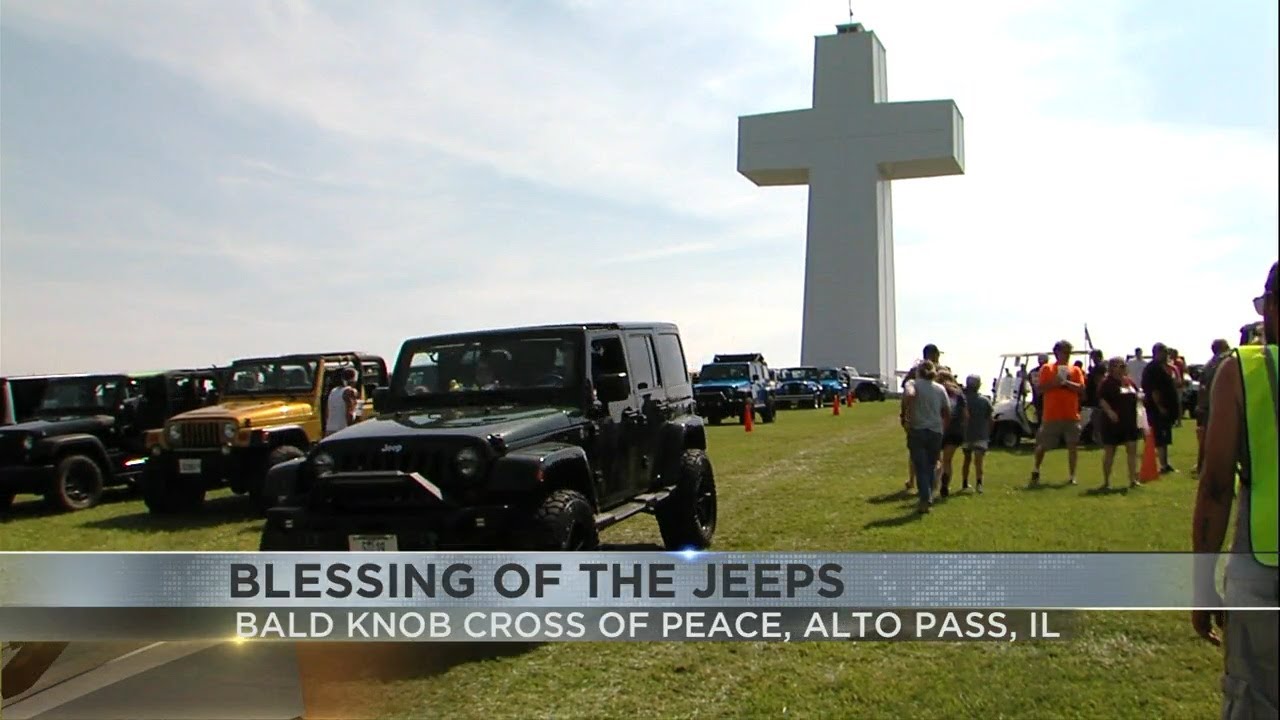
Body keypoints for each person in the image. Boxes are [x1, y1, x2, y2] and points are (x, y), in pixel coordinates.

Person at [1191, 261, 1278, 719]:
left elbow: (1217, 485)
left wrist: (1202, 586)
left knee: (1255, 701)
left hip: (1263, 565)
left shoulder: (1243, 371)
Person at [1030, 340, 1087, 486]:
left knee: (1072, 445)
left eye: (1069, 352)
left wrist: (1067, 383)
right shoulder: (1047, 369)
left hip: (1071, 414)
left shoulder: (1075, 370)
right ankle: (1036, 469)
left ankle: (1072, 475)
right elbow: (1041, 389)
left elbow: (1081, 388)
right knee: (1043, 445)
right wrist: (1055, 382)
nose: (1067, 355)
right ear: (1057, 353)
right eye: (1064, 352)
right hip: (1052, 414)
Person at [903, 361, 950, 514]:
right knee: (931, 465)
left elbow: (909, 395)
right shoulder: (940, 388)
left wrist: (906, 414)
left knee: (920, 466)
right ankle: (928, 494)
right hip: (936, 430)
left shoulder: (913, 384)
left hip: (918, 429)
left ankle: (925, 499)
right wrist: (943, 427)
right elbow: (947, 411)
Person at [1096, 356, 1142, 489]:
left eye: (1123, 365)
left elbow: (1137, 394)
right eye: (1119, 366)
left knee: (1132, 449)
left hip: (1129, 421)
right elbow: (1101, 399)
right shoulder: (1107, 383)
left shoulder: (1129, 382)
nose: (1122, 368)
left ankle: (1133, 479)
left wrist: (1140, 397)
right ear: (1111, 368)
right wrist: (1110, 412)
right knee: (1110, 451)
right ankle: (1106, 481)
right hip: (1112, 422)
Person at [1195, 338, 1232, 474]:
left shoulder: (1208, 365)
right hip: (1218, 405)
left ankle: (1202, 466)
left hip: (1207, 406)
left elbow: (1202, 388)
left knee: (1207, 438)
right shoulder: (1223, 363)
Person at [1141, 342, 1178, 474]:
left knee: (1165, 437)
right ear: (1157, 353)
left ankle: (1165, 462)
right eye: (1165, 353)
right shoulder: (1153, 369)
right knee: (1160, 437)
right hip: (1156, 409)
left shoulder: (1164, 367)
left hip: (1166, 408)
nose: (1167, 355)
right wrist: (1160, 406)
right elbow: (1154, 391)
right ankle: (1162, 464)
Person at [961, 374, 994, 494]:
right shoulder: (985, 400)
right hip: (981, 434)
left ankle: (964, 483)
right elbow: (990, 419)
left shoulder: (963, 400)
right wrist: (989, 433)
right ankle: (979, 483)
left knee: (967, 459)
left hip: (966, 434)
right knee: (979, 460)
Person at [937, 371, 968, 498]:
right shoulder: (959, 393)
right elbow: (966, 415)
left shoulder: (938, 390)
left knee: (937, 459)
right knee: (948, 461)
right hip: (956, 431)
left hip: (940, 429)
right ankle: (945, 485)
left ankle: (934, 483)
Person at [324, 367, 359, 437]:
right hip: (343, 430)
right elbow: (350, 414)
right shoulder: (350, 391)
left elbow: (327, 412)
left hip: (330, 430)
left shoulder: (333, 391)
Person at [1085, 349, 1107, 444]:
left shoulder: (1099, 367)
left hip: (1096, 395)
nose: (1092, 358)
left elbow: (1099, 380)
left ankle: (1099, 437)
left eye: (1093, 356)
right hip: (1094, 395)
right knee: (1095, 416)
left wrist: (1099, 394)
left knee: (1097, 417)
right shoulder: (1098, 367)